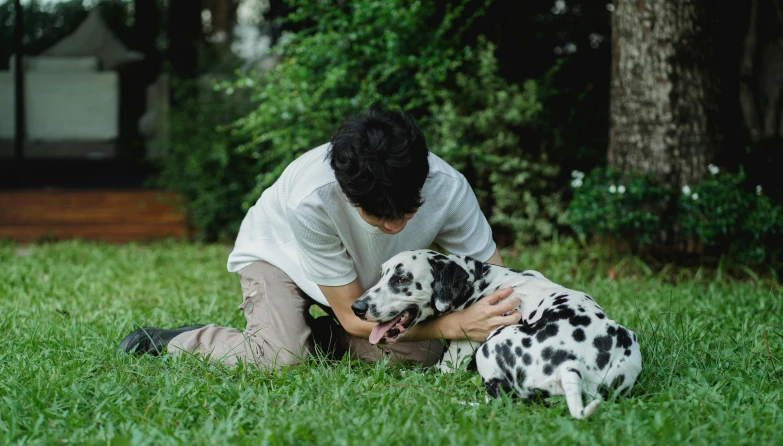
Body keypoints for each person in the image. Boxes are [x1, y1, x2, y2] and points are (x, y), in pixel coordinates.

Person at [118, 102, 522, 368]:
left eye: (407, 211)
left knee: (425, 353)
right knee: (280, 357)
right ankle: (179, 340)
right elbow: (350, 312)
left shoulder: (448, 187)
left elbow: (497, 281)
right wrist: (453, 325)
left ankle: (316, 335)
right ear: (348, 195)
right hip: (280, 257)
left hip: (370, 289)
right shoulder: (311, 198)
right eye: (380, 217)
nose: (396, 227)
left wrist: (494, 319)